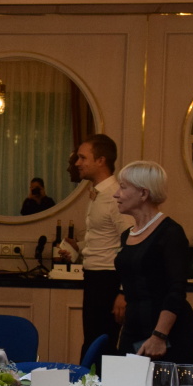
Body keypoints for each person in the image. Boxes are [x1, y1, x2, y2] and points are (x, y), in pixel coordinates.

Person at [112, 160, 193, 363]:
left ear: (143, 193)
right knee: (124, 383)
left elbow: (176, 290)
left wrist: (159, 335)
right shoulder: (127, 235)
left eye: (123, 187)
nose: (116, 194)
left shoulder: (171, 233)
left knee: (163, 385)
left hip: (167, 333)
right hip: (133, 329)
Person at [68, 134, 133, 365]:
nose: (77, 163)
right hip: (95, 278)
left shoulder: (116, 196)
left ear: (101, 160)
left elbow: (131, 243)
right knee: (93, 342)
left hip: (109, 280)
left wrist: (124, 291)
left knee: (101, 346)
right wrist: (78, 248)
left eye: (82, 157)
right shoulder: (98, 194)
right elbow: (105, 238)